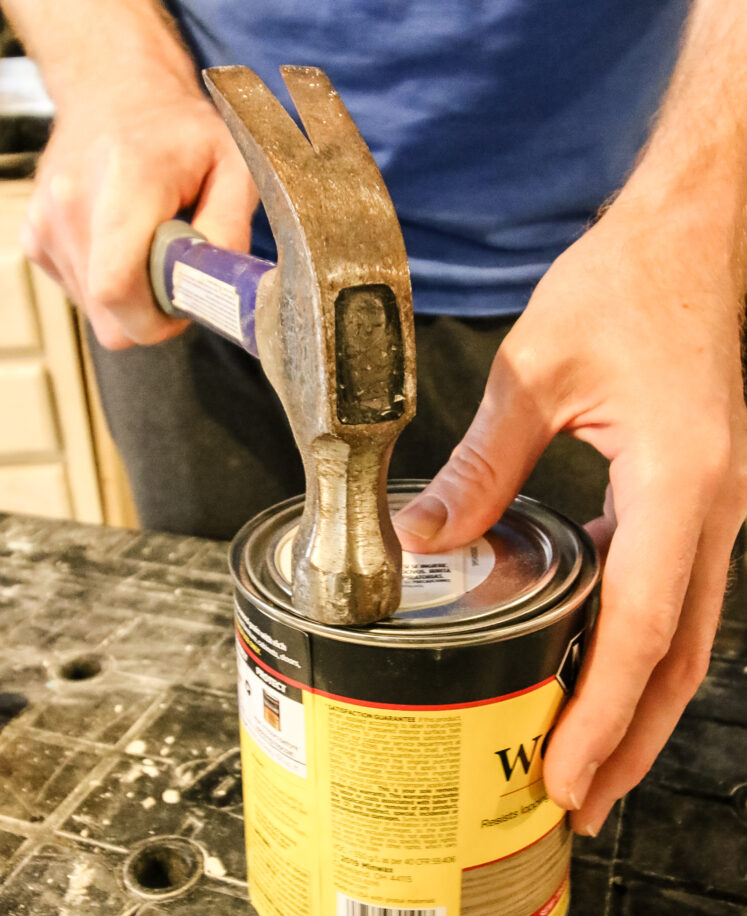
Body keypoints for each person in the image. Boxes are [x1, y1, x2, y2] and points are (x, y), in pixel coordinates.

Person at [5, 0, 746, 841]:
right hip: (205, 226)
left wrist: (695, 206)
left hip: (612, 284)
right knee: (247, 716)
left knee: (583, 701)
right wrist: (109, 71)